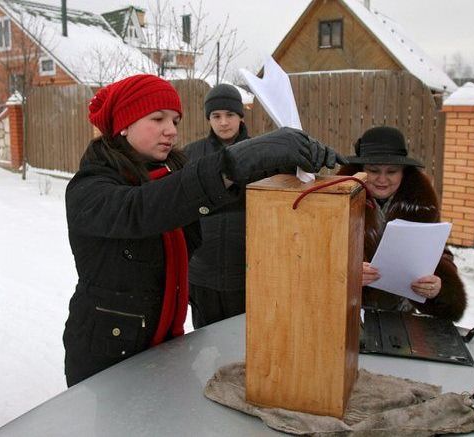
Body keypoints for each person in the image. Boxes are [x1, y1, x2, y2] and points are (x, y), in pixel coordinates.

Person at [62, 74, 344, 386]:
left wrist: (277, 160)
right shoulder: (89, 189)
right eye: (157, 118)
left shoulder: (166, 173)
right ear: (124, 124)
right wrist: (239, 158)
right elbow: (144, 209)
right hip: (106, 357)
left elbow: (217, 197)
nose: (171, 130)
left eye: (175, 120)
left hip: (163, 347)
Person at [337, 126, 466, 320]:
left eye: (392, 171)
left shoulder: (421, 205)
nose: (382, 179)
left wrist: (437, 287)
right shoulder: (337, 203)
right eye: (373, 170)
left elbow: (439, 255)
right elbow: (315, 257)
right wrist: (346, 275)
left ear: (403, 172)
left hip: (402, 318)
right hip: (348, 314)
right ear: (360, 171)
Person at [183, 83, 250, 328]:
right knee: (206, 345)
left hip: (245, 275)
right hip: (202, 275)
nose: (223, 122)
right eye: (216, 116)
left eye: (230, 114)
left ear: (241, 116)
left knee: (243, 346)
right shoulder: (190, 155)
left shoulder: (261, 153)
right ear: (208, 119)